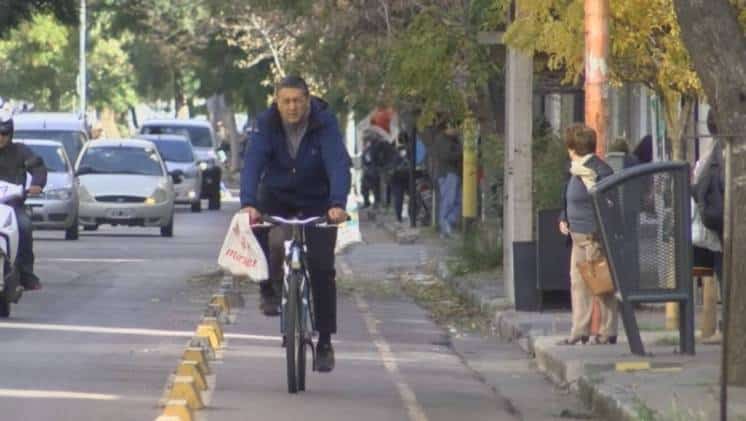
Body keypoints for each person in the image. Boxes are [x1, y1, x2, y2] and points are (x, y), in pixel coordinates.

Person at [240, 75, 351, 372]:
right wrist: (248, 202)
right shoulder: (266, 124)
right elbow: (253, 163)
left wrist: (338, 204)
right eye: (286, 101)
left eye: (298, 101)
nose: (292, 107)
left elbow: (337, 163)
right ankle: (267, 288)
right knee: (264, 234)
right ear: (277, 102)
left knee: (322, 268)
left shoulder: (324, 123)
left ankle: (325, 341)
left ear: (308, 100)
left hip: (318, 202)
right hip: (276, 197)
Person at [558, 124, 618, 345]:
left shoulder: (598, 170)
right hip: (576, 237)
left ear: (574, 147)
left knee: (600, 284)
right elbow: (567, 198)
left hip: (594, 237)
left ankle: (608, 330)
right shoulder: (575, 169)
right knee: (578, 284)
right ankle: (580, 330)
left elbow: (608, 201)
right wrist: (564, 217)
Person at [0, 112, 47, 290]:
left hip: (12, 206)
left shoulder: (21, 151)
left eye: (4, 133)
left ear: (10, 133)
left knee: (24, 226)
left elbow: (38, 167)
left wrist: (37, 184)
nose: (0, 137)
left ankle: (26, 274)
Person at [694, 109, 725, 344]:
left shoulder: (714, 154)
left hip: (722, 222)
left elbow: (699, 188)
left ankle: (728, 329)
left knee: (725, 273)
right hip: (723, 222)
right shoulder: (718, 153)